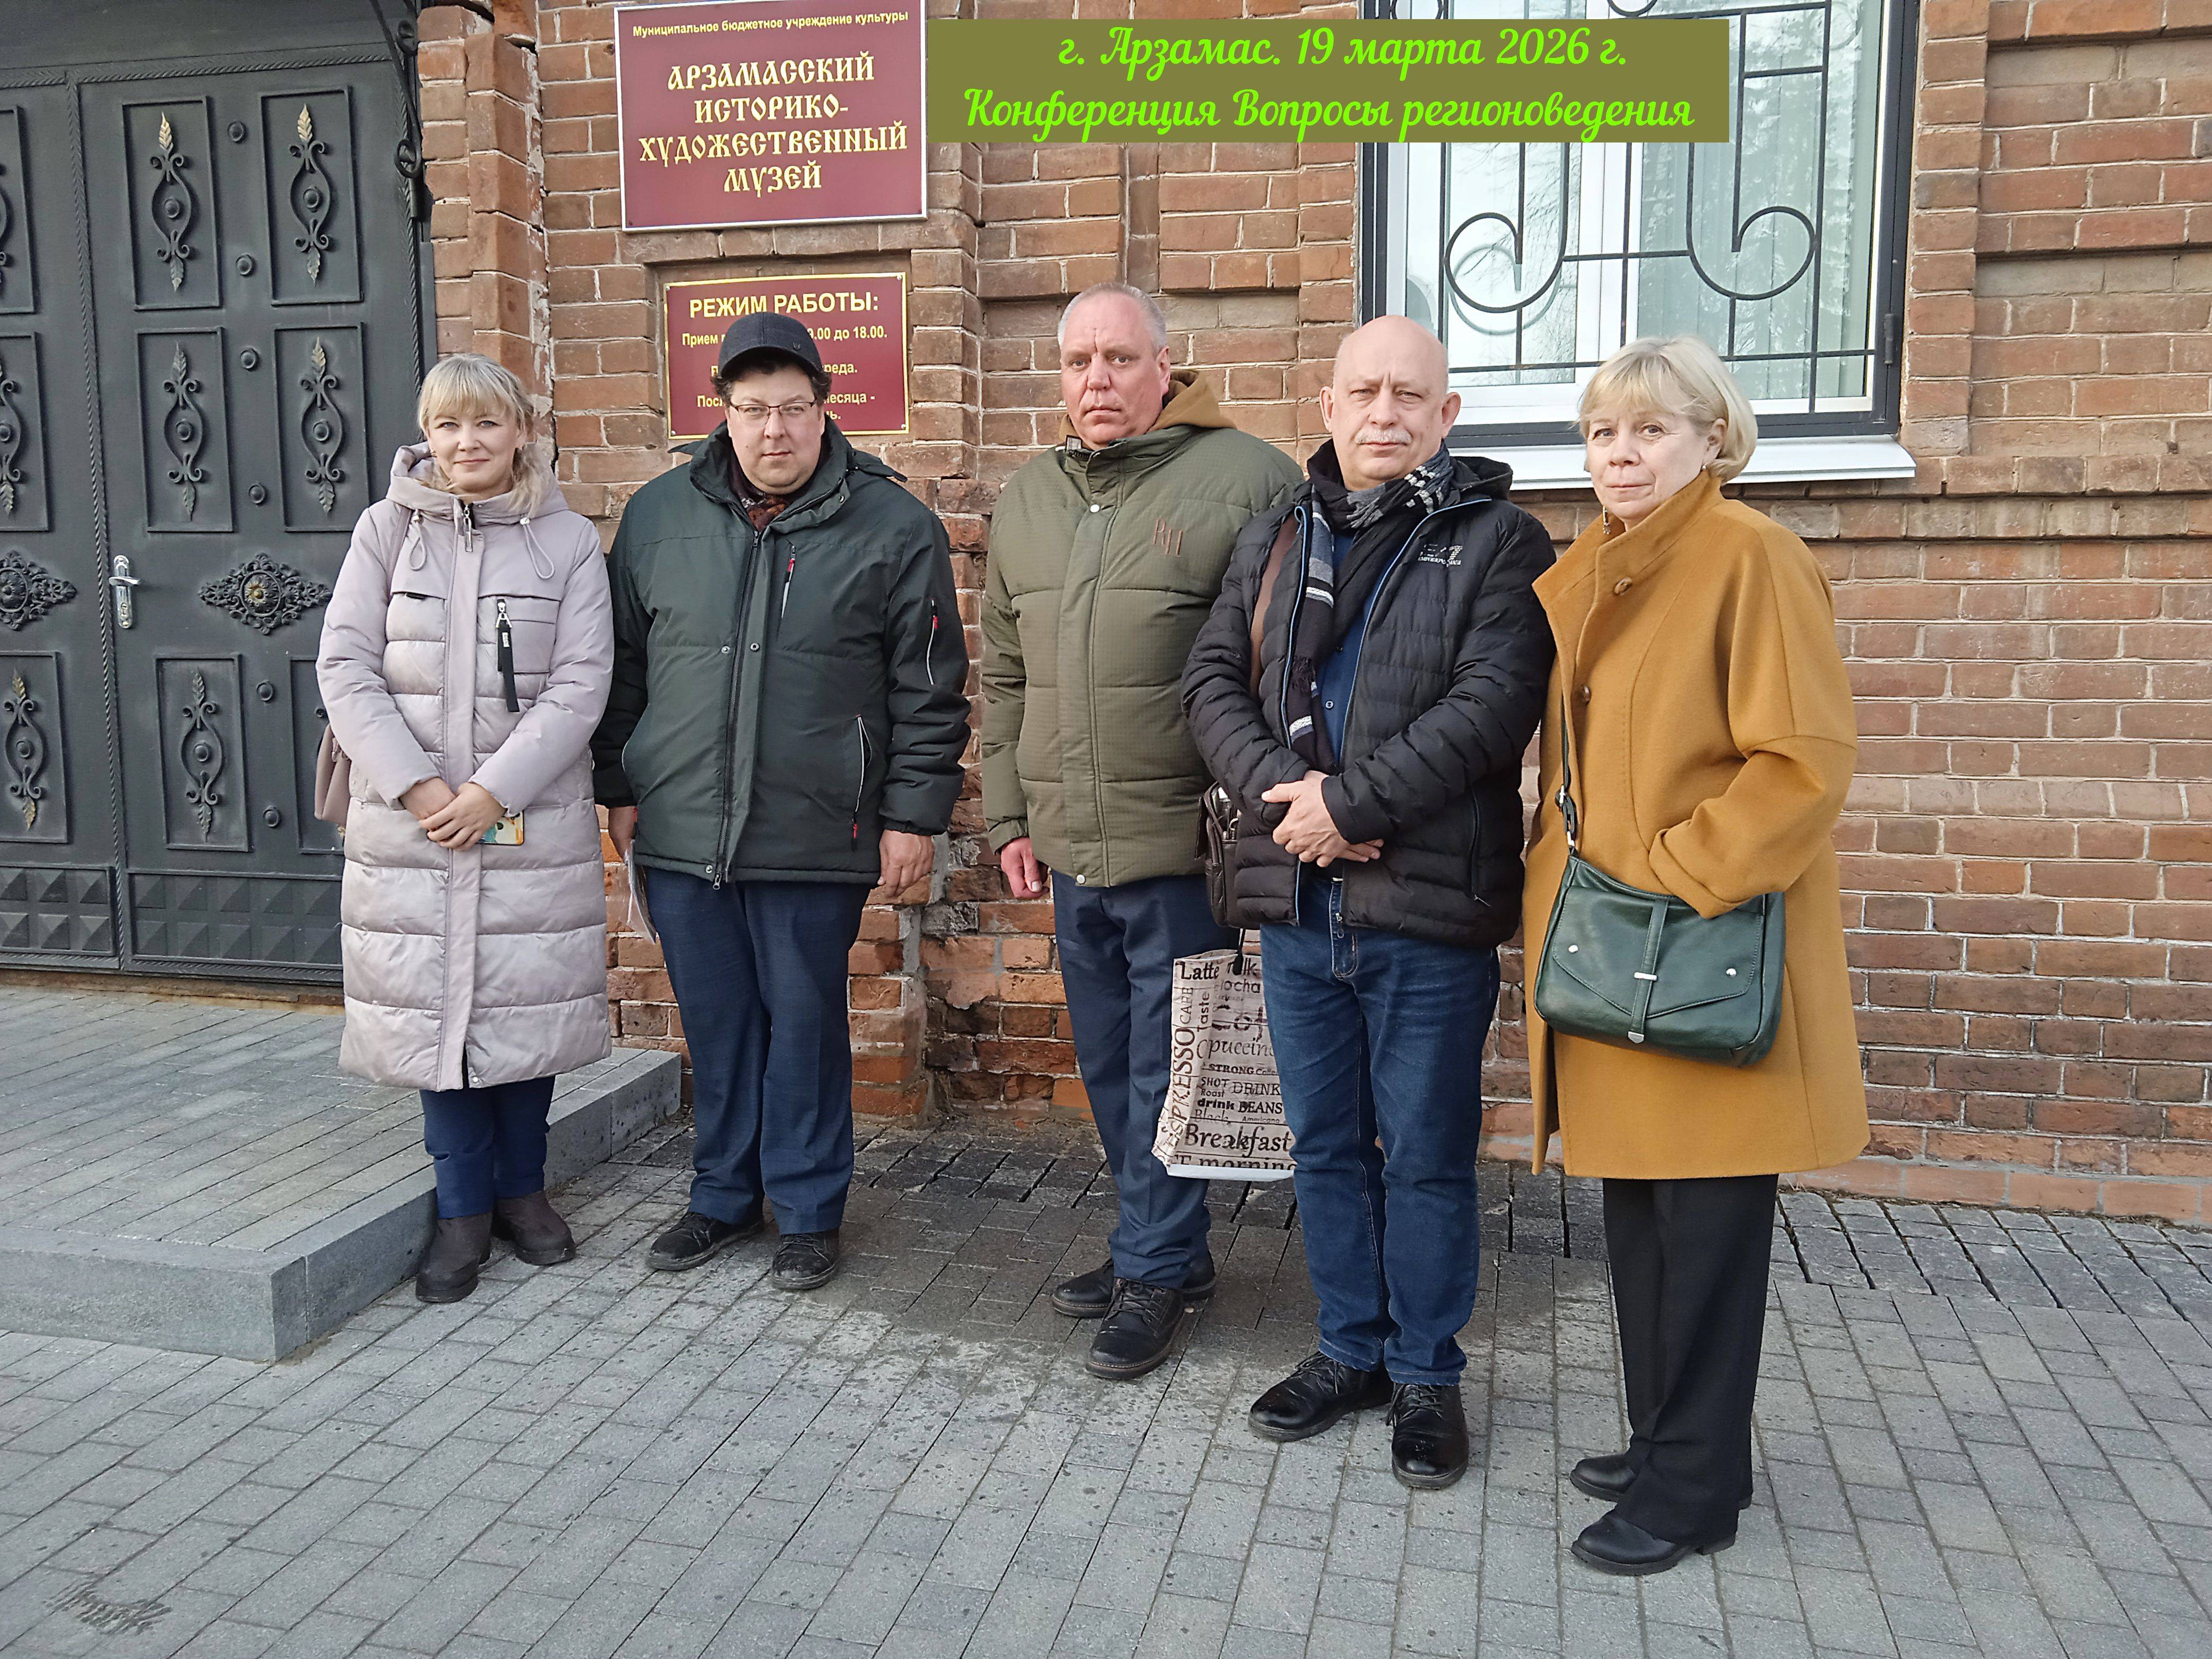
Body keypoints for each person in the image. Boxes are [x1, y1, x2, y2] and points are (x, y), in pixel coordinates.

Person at [1183, 315, 1553, 1488]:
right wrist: (1290, 801)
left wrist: (1351, 805)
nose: (1384, 412)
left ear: (1447, 414)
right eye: (1364, 391)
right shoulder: (1275, 533)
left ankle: (1427, 1374)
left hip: (1425, 911)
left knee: (1428, 1156)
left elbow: (1493, 704)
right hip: (1298, 908)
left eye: (1409, 394)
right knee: (1326, 1149)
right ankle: (1349, 1349)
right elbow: (1209, 683)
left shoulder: (1500, 540)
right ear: (1328, 406)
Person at [1523, 336, 1867, 1574]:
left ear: (1711, 438)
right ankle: (1665, 1442)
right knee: (1642, 1221)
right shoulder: (1604, 566)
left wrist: (1677, 878)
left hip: (1696, 950)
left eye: (1650, 429)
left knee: (1709, 1235)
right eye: (1602, 432)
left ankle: (1694, 1492)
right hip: (1618, 958)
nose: (1619, 454)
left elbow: (1803, 761)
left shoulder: (1748, 556)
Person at [592, 314, 969, 1293]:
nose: (775, 430)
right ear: (722, 411)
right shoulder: (658, 517)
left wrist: (913, 817)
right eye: (754, 409)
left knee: (803, 1028)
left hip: (817, 828)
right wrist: (619, 786)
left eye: (794, 409)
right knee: (717, 1025)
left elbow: (930, 688)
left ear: (824, 409)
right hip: (682, 827)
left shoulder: (894, 526)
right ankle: (723, 1196)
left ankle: (806, 1209)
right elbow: (622, 667)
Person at [982, 281, 1301, 1380]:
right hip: (1072, 844)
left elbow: (1278, 665)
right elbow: (1006, 674)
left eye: (1119, 359)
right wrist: (1011, 814)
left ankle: (1156, 1269)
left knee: (1174, 1065)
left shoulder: (1248, 479)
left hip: (1183, 846)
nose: (1097, 381)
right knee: (1113, 1064)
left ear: (1167, 367)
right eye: (1078, 362)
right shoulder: (1031, 497)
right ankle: (1158, 1245)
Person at [319, 353, 615, 1304]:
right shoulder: (384, 532)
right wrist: (414, 787)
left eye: (487, 423)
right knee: (433, 1012)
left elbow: (582, 683)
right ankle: (460, 1214)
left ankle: (523, 1193)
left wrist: (494, 792)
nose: (467, 442)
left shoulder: (567, 542)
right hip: (412, 825)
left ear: (521, 431)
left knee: (523, 1006)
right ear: (427, 435)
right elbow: (345, 667)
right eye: (448, 425)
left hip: (526, 817)